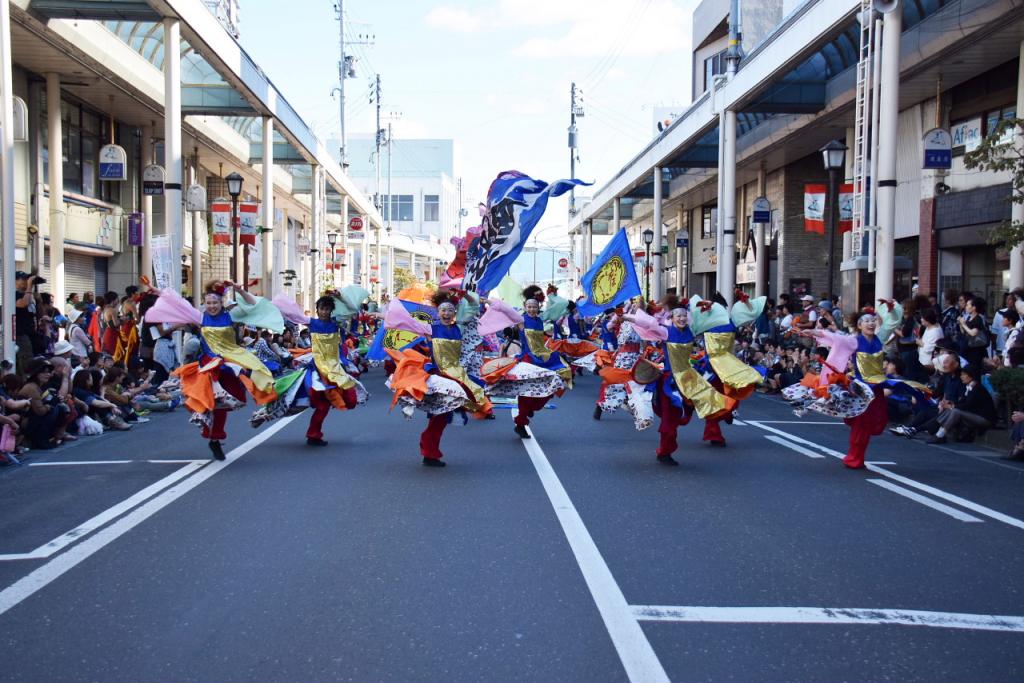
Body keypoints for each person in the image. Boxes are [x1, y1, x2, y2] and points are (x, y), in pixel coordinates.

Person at [144, 281, 279, 460]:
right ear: (204, 303)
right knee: (203, 400)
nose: (212, 306)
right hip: (208, 364)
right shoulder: (200, 317)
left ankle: (215, 438)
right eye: (208, 303)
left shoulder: (231, 315)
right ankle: (208, 429)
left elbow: (252, 305)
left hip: (228, 364)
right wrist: (159, 292)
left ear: (221, 302)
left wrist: (239, 289)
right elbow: (178, 302)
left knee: (223, 403)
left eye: (215, 303)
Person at [786, 302, 909, 469]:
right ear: (859, 325)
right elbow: (836, 338)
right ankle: (854, 458)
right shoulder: (854, 341)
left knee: (878, 421)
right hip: (862, 389)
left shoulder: (880, 338)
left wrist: (892, 310)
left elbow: (892, 322)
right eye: (866, 321)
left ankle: (857, 457)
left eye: (873, 320)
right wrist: (814, 332)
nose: (871, 323)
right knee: (861, 425)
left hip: (877, 387)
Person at [922, 364, 996, 445]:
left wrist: (952, 406)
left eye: (964, 374)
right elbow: (963, 402)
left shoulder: (977, 388)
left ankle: (939, 434)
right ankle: (937, 429)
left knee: (955, 411)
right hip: (973, 415)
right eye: (961, 374)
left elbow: (968, 404)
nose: (961, 377)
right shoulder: (969, 387)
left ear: (971, 376)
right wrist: (951, 404)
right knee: (951, 409)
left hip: (984, 419)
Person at [18, 359, 75, 449]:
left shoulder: (39, 386)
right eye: (44, 372)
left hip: (34, 418)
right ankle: (41, 440)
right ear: (36, 373)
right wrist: (51, 404)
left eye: (49, 372)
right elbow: (40, 411)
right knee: (55, 409)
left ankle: (52, 437)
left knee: (61, 408)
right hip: (27, 421)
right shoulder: (31, 387)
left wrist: (54, 400)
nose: (48, 374)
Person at [958, 296, 989, 371]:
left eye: (968, 305)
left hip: (975, 351)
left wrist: (964, 325)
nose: (966, 307)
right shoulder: (969, 318)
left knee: (974, 370)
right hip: (968, 349)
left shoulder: (978, 319)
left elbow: (973, 333)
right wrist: (961, 324)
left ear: (974, 308)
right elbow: (964, 332)